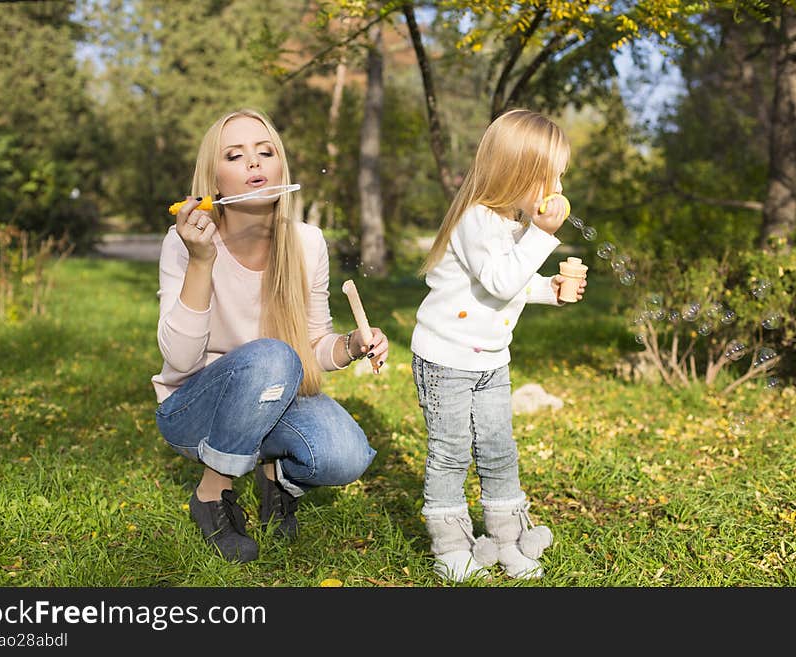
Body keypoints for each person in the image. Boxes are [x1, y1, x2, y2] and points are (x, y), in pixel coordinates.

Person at [151, 108, 389, 563]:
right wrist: (201, 261)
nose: (255, 163)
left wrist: (352, 345)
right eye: (236, 155)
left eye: (266, 152)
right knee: (272, 357)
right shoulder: (183, 241)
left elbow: (314, 345)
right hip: (194, 411)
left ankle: (277, 478)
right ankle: (212, 493)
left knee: (345, 456)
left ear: (281, 167)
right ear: (214, 182)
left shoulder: (307, 242)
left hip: (275, 393)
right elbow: (180, 361)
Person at [410, 109, 586, 582]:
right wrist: (543, 235)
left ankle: (507, 539)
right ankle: (452, 546)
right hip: (445, 358)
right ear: (519, 173)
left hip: (491, 360)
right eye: (551, 177)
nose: (557, 189)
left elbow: (508, 285)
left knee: (498, 447)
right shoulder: (476, 220)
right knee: (451, 451)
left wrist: (550, 288)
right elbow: (501, 277)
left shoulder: (511, 225)